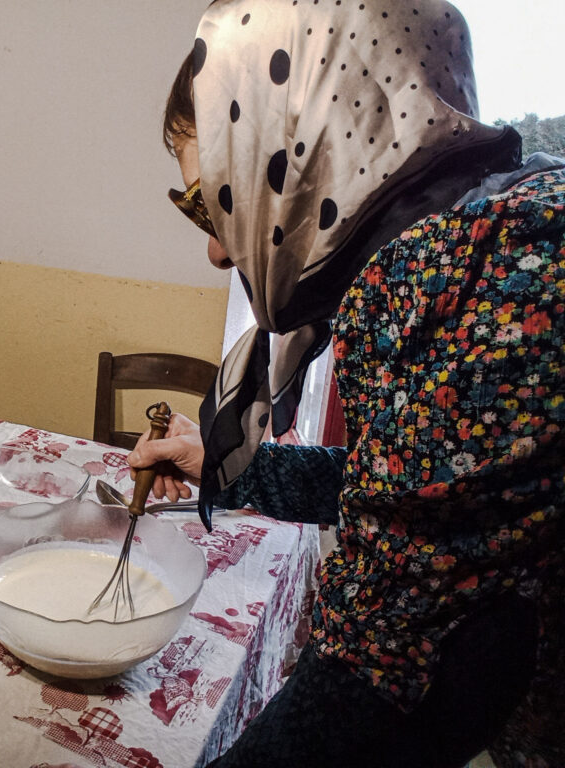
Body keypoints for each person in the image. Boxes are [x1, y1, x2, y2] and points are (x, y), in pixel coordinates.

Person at [130, 1, 564, 766]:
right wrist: (234, 468)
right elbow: (408, 490)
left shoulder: (476, 288)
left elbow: (382, 674)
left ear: (308, 148)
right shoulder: (459, 247)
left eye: (214, 199)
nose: (213, 251)